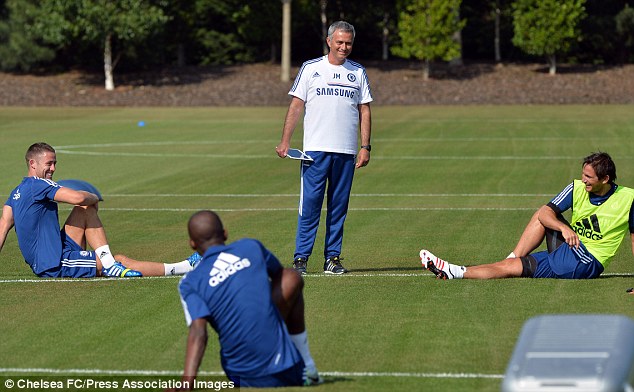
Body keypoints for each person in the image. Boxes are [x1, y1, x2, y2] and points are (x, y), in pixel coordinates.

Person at [420, 152, 634, 280]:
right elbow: (545, 213)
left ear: (605, 179)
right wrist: (564, 228)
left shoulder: (629, 198)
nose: (583, 180)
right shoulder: (576, 188)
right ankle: (453, 271)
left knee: (542, 219)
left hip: (586, 262)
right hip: (570, 250)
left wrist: (562, 228)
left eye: (589, 177)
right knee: (511, 266)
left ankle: (505, 260)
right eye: (583, 174)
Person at [0, 142, 199, 278]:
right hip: (53, 263)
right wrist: (94, 197)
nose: (52, 168)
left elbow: (3, 226)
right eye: (48, 163)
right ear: (32, 163)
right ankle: (184, 267)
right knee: (120, 259)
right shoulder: (40, 184)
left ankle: (107, 262)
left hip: (56, 249)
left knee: (84, 209)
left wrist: (88, 202)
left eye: (55, 164)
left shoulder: (16, 192)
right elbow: (77, 197)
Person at [174, 210, 321, 389]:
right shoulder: (250, 247)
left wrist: (186, 385)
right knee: (291, 276)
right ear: (225, 233)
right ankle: (308, 367)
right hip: (287, 371)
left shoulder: (189, 282)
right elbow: (281, 278)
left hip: (239, 375)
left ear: (192, 244)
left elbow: (198, 333)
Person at [276, 20, 373, 275]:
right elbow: (296, 105)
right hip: (315, 151)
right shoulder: (310, 68)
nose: (344, 47)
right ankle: (301, 259)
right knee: (309, 206)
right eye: (339, 42)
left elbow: (365, 109)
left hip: (346, 152)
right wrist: (285, 140)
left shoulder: (358, 72)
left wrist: (365, 146)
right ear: (329, 41)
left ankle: (332, 258)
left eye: (348, 43)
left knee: (339, 207)